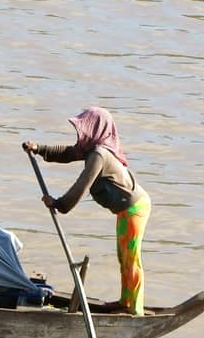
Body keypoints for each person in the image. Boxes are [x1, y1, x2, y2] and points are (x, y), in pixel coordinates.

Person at [22, 107, 150, 314]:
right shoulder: (92, 150)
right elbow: (68, 153)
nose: (81, 134)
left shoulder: (99, 154)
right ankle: (125, 301)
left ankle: (134, 309)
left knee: (131, 257)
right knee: (123, 255)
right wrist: (39, 149)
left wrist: (59, 204)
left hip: (134, 208)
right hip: (127, 208)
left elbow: (82, 185)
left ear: (96, 129)